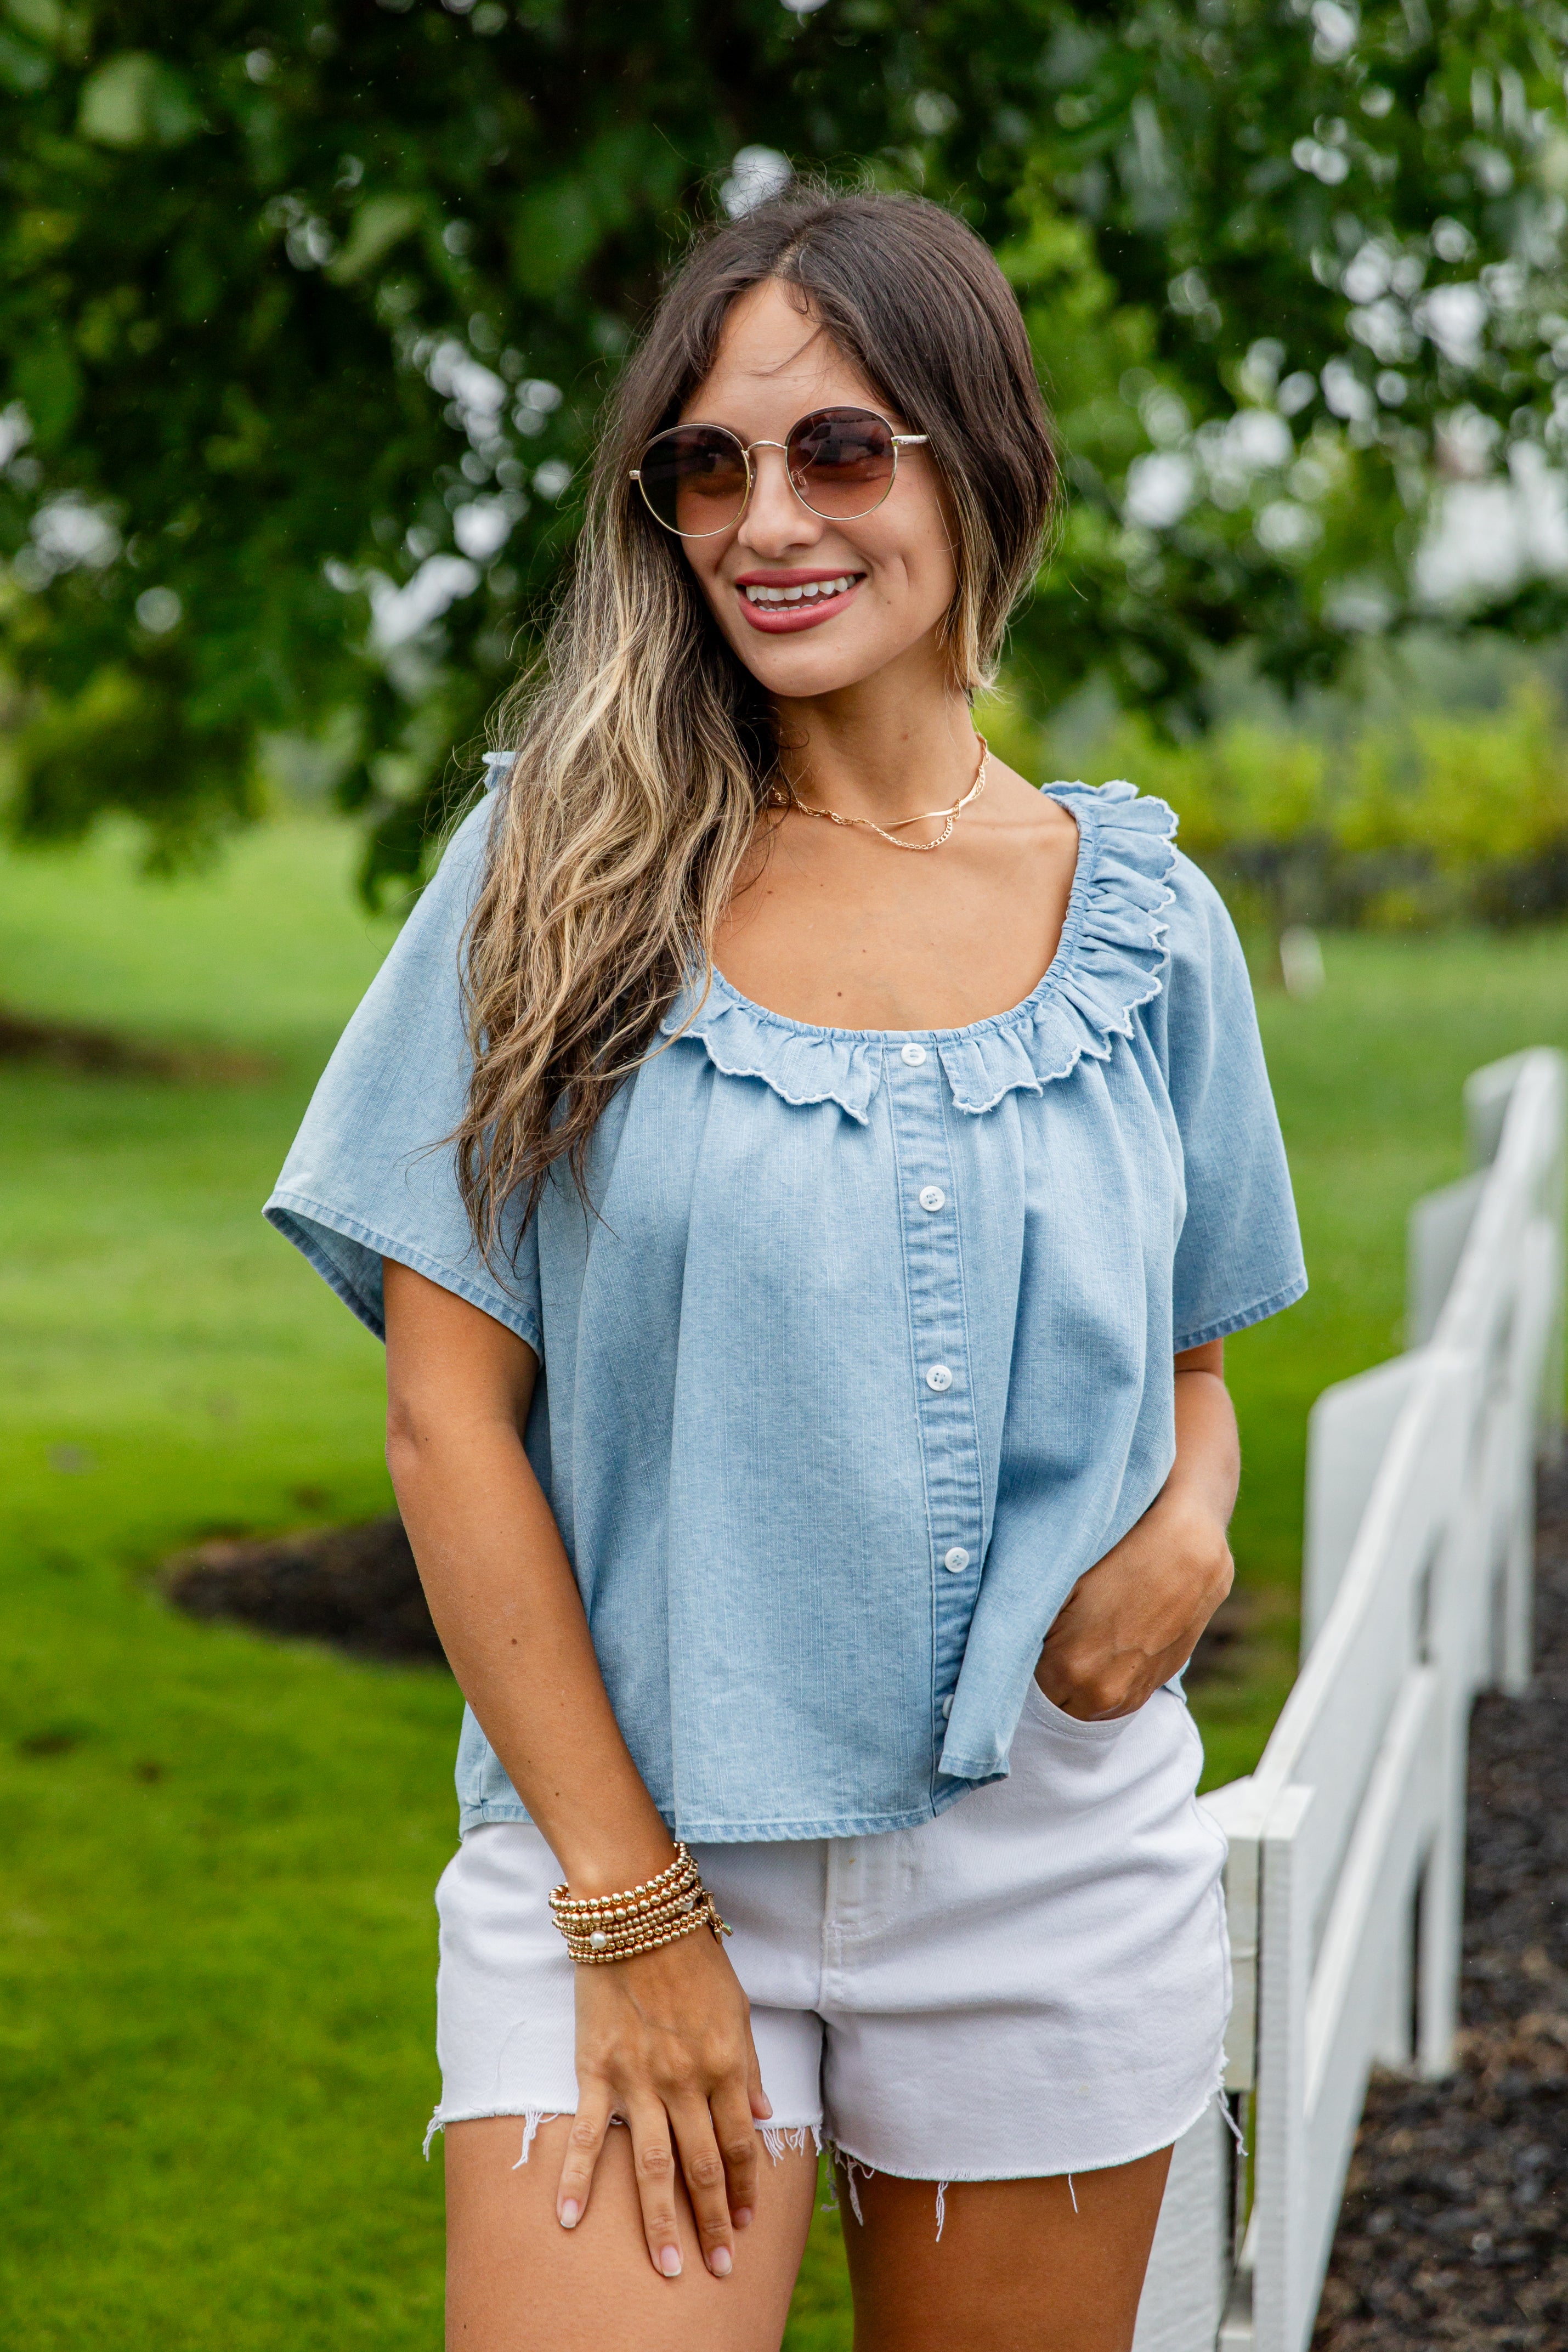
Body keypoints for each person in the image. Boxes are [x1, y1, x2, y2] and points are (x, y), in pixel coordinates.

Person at [266, 183, 1305, 2352]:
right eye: (707, 465)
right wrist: (633, 1913)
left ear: (979, 459)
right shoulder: (555, 869)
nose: (764, 518)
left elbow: (1191, 1367)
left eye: (838, 450)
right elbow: (445, 1419)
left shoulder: (1143, 924)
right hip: (627, 1852)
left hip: (1050, 1871)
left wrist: (1191, 1526)